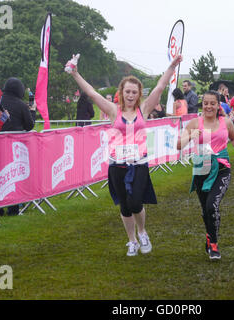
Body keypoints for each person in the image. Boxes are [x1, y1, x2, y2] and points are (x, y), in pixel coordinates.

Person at [68, 53, 183, 256]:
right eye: (127, 91)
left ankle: (142, 231)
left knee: (135, 202)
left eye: (134, 92)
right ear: (122, 92)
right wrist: (75, 74)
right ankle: (131, 241)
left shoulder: (144, 109)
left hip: (138, 163)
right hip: (117, 164)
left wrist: (172, 66)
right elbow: (93, 94)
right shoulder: (113, 111)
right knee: (124, 206)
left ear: (139, 94)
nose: (130, 95)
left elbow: (159, 87)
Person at [177, 90, 234, 260]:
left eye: (212, 103)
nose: (208, 106)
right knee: (206, 210)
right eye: (205, 103)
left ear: (218, 105)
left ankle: (213, 244)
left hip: (221, 168)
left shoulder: (225, 121)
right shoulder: (194, 123)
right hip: (201, 169)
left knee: (212, 205)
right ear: (202, 104)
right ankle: (209, 236)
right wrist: (191, 135)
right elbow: (178, 145)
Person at [0, 77, 36, 216]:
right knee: (14, 177)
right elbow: (30, 125)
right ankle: (13, 209)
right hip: (15, 148)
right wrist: (32, 111)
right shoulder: (21, 105)